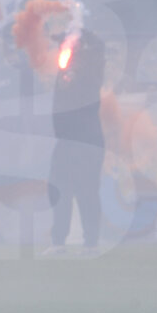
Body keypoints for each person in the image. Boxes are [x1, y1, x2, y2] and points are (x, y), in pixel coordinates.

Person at [46, 26, 107, 254]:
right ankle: (58, 242)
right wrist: (65, 37)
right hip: (65, 142)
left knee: (87, 191)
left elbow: (99, 48)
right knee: (58, 189)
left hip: (88, 142)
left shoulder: (91, 72)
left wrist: (81, 32)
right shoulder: (62, 71)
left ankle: (91, 243)